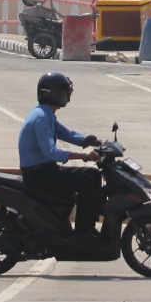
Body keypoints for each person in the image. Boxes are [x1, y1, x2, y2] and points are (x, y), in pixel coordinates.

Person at [18, 72, 104, 238]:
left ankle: (89, 225)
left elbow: (68, 134)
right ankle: (82, 232)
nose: (67, 95)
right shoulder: (41, 118)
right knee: (86, 182)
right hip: (38, 175)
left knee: (93, 174)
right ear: (56, 94)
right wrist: (82, 156)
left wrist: (91, 141)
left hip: (46, 170)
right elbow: (50, 152)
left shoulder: (46, 114)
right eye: (65, 91)